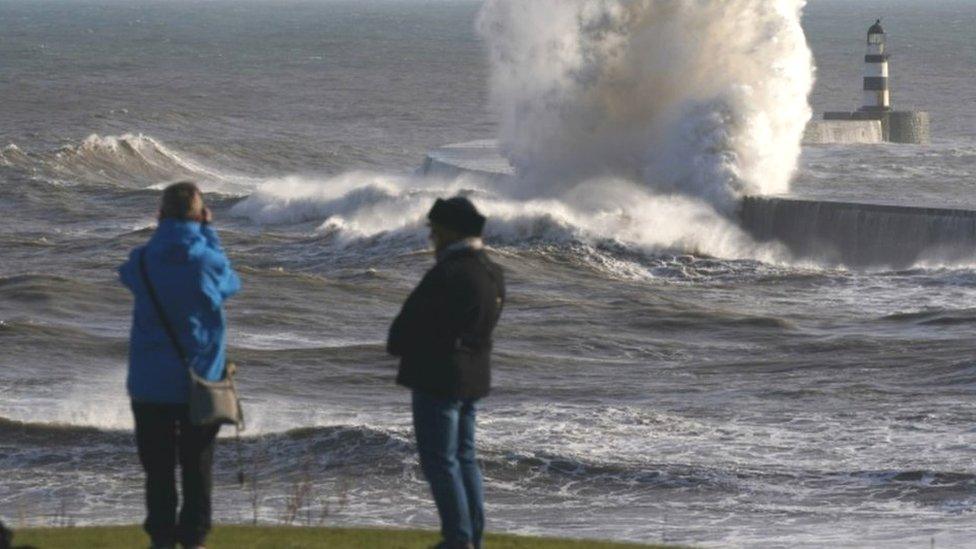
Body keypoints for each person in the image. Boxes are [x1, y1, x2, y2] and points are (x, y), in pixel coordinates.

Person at [118, 181, 241, 549]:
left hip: (149, 384)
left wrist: (164, 235)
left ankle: (160, 538)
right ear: (201, 215)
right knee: (196, 466)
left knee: (157, 470)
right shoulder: (207, 260)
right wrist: (211, 233)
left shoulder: (141, 260)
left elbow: (125, 276)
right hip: (199, 382)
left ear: (160, 215)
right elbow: (230, 283)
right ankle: (194, 538)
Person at [388, 197, 506, 549]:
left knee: (440, 461)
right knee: (464, 458)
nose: (432, 238)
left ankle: (458, 539)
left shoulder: (449, 272)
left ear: (451, 232)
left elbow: (409, 326)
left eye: (435, 231)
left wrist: (403, 344)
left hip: (439, 377)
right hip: (473, 376)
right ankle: (472, 538)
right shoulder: (491, 272)